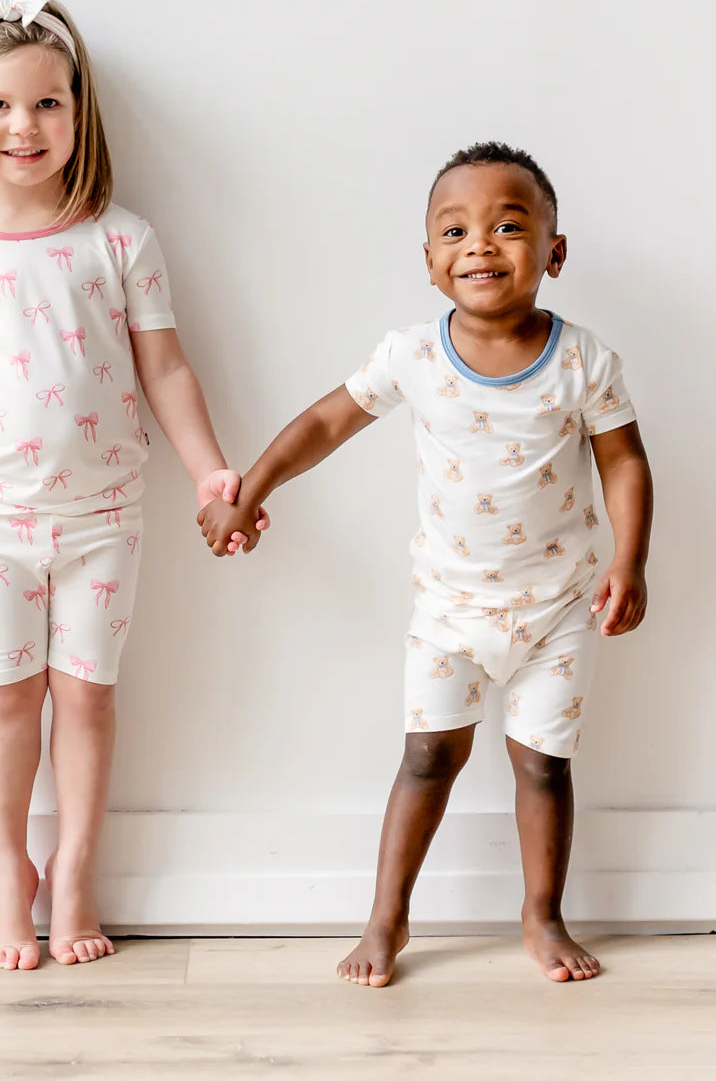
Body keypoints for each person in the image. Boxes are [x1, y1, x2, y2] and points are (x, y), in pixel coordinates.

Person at [199, 142, 652, 986]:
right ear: (430, 260)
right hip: (448, 611)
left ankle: (543, 914)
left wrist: (630, 559)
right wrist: (249, 489)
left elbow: (624, 461)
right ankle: (387, 918)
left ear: (554, 252)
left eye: (508, 226)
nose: (480, 244)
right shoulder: (411, 355)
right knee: (426, 759)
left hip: (559, 609)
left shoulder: (583, 360)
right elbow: (325, 423)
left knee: (543, 766)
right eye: (455, 230)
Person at [0, 0, 259, 969]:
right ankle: (8, 879)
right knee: (8, 698)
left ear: (79, 112)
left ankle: (75, 871)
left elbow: (165, 369)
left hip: (105, 517)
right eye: (0, 105)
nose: (25, 126)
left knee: (86, 698)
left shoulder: (120, 241)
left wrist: (210, 470)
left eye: (49, 103)